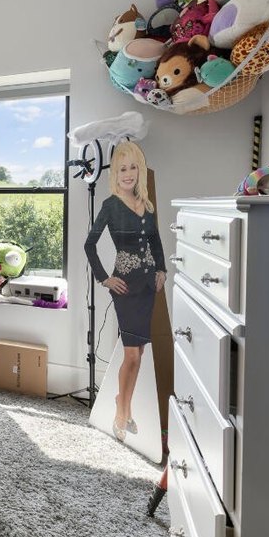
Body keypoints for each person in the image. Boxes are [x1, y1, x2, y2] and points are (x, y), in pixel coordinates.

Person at [83, 140, 166, 442]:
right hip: (125, 287)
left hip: (147, 287)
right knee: (132, 354)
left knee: (139, 352)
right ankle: (121, 412)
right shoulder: (110, 206)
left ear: (139, 171)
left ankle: (124, 404)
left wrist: (162, 269)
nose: (128, 173)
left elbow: (155, 240)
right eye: (122, 169)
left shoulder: (147, 204)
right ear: (115, 174)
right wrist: (104, 278)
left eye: (133, 167)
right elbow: (89, 245)